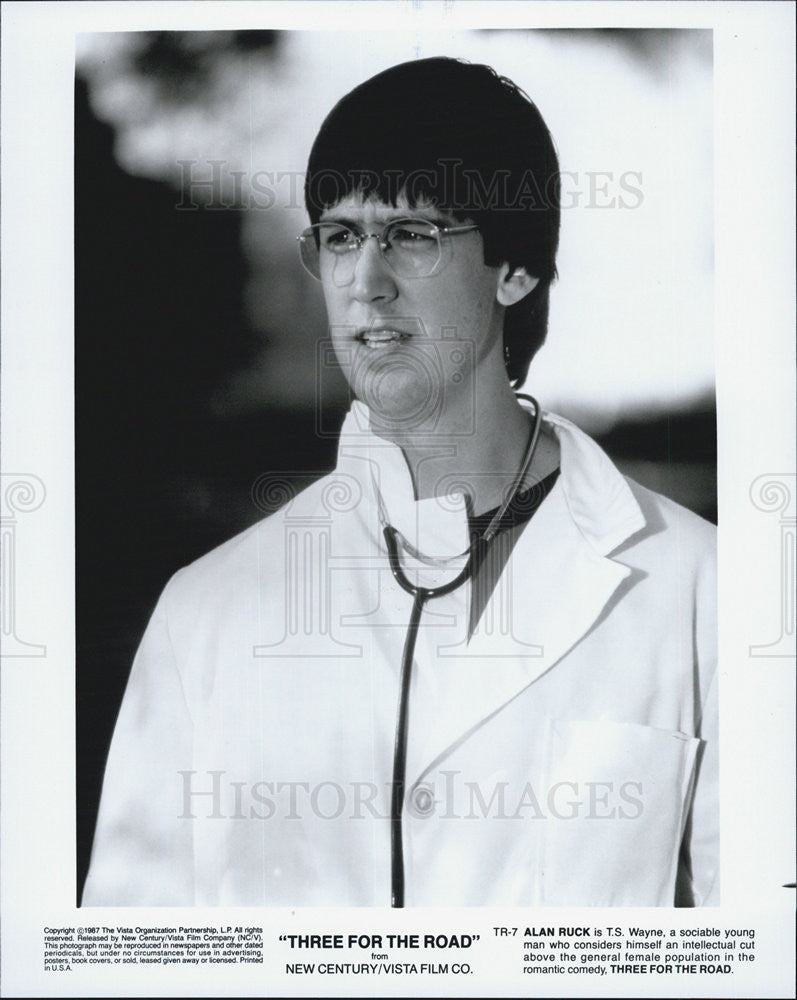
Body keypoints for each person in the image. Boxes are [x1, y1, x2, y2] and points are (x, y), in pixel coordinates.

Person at [82, 56, 718, 908]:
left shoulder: (701, 589)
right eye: (340, 236)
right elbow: (134, 958)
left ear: (515, 266)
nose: (363, 285)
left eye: (412, 235)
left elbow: (758, 951)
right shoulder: (206, 611)